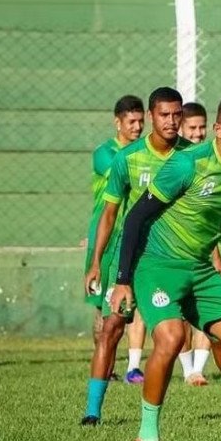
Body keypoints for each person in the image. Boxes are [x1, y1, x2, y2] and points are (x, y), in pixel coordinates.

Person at [109, 92, 221, 441]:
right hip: (157, 265)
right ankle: (148, 439)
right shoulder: (187, 164)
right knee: (168, 338)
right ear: (219, 130)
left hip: (200, 270)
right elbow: (135, 217)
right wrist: (123, 281)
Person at [81, 87, 188, 426]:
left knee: (215, 327)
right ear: (153, 118)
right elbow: (110, 214)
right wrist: (98, 261)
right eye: (164, 115)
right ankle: (93, 411)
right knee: (112, 327)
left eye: (177, 115)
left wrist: (216, 253)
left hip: (175, 257)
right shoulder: (126, 159)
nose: (171, 121)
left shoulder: (192, 156)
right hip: (129, 256)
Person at [84, 95, 145, 380]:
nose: (137, 127)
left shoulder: (141, 154)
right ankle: (103, 369)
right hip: (106, 237)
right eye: (131, 121)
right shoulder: (104, 153)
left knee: (126, 304)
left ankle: (129, 364)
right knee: (101, 306)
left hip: (131, 238)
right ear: (117, 122)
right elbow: (123, 177)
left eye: (141, 121)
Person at [175, 101, 221, 386]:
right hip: (175, 252)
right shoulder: (180, 163)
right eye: (191, 128)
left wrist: (219, 254)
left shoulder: (213, 161)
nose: (197, 133)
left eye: (201, 127)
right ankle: (186, 369)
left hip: (208, 248)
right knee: (180, 315)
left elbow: (213, 215)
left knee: (209, 313)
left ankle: (197, 369)